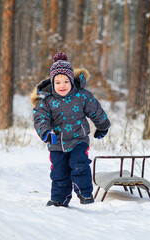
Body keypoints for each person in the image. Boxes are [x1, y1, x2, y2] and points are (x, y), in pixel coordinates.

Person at [30, 52, 111, 207]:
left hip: (78, 140)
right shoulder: (46, 101)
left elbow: (96, 111)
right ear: (52, 83)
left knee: (79, 163)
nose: (62, 85)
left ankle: (85, 193)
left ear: (72, 81)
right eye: (58, 82)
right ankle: (59, 199)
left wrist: (102, 126)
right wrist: (46, 132)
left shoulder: (82, 96)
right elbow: (40, 118)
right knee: (59, 173)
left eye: (66, 81)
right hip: (56, 143)